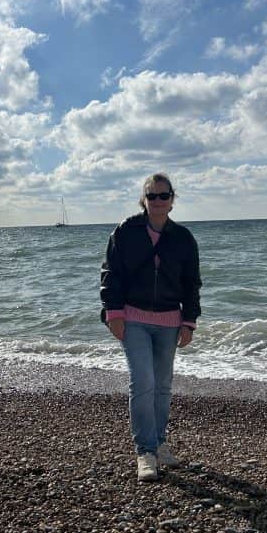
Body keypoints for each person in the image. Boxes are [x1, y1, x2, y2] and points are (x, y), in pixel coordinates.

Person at [100, 172, 201, 481]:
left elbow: (191, 283)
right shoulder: (126, 231)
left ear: (172, 200)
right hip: (133, 319)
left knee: (162, 386)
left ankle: (159, 443)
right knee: (142, 381)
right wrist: (112, 312)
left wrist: (189, 321)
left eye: (164, 195)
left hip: (170, 321)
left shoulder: (183, 238)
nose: (158, 201)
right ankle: (144, 451)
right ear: (143, 200)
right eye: (152, 195)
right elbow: (110, 273)